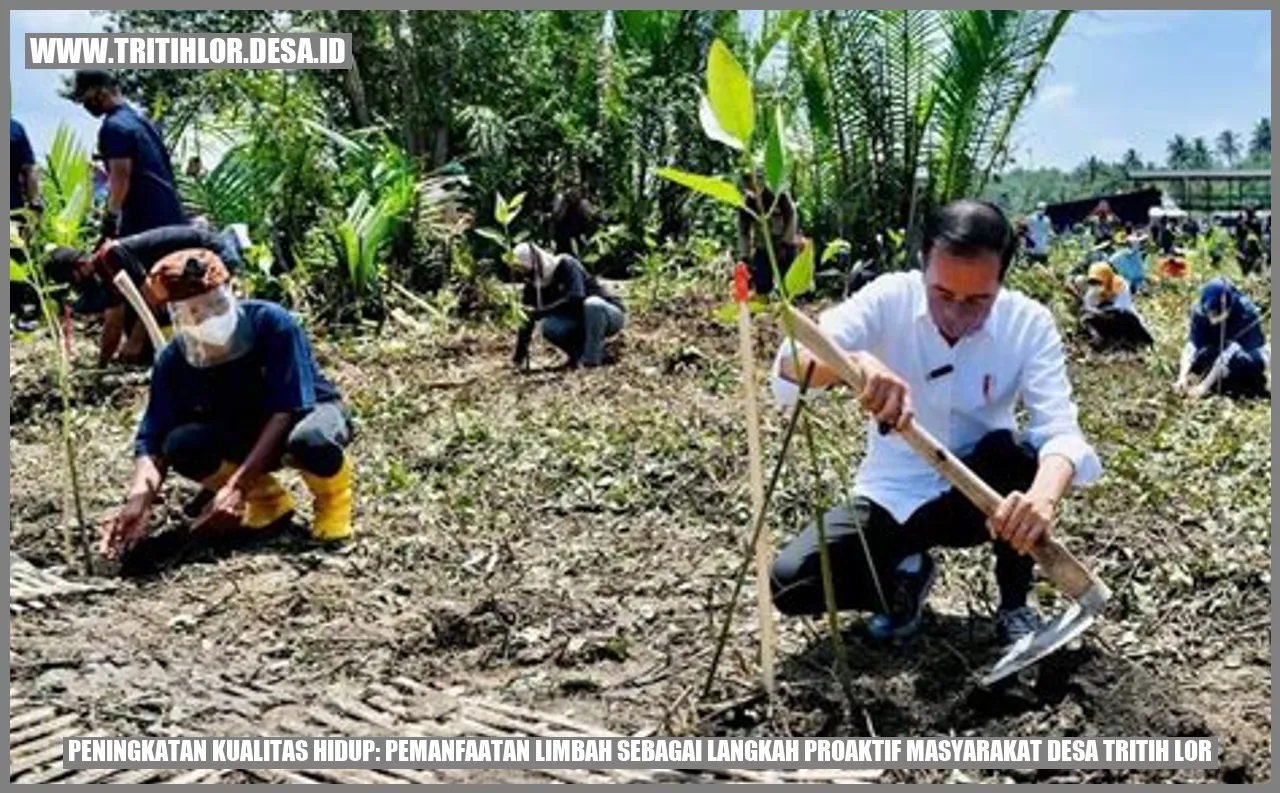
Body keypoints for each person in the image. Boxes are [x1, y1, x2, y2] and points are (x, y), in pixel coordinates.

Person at [768, 200, 1101, 647]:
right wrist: (856, 365)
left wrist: (1041, 500)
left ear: (1002, 279)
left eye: (978, 300)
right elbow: (793, 360)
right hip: (892, 495)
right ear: (924, 266)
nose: (957, 314)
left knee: (1017, 455)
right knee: (792, 581)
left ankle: (1015, 607)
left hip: (978, 500)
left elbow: (1060, 430)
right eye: (942, 295)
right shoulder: (889, 297)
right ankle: (902, 584)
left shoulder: (1029, 324)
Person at [98, 248, 356, 561]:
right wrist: (138, 502)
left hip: (307, 412)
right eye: (194, 311)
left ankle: (333, 504)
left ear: (231, 293)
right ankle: (269, 504)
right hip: (243, 428)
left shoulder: (272, 324)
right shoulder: (174, 361)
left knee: (309, 441)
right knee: (181, 445)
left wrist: (236, 486)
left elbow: (288, 408)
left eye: (215, 304)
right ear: (177, 315)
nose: (207, 316)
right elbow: (152, 438)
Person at [46, 223, 248, 367]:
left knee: (209, 322)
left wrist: (134, 342)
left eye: (73, 279)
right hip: (192, 267)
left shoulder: (110, 257)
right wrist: (102, 365)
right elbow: (113, 322)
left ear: (79, 269)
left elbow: (149, 297)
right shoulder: (104, 269)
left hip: (213, 256)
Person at [67, 70, 186, 240]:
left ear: (101, 92)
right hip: (172, 217)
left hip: (145, 223)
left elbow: (121, 176)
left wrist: (111, 216)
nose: (85, 104)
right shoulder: (142, 122)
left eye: (85, 97)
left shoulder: (114, 127)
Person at [511, 242, 625, 369]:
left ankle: (591, 360)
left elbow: (576, 297)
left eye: (525, 269)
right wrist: (518, 357)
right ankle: (584, 354)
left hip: (606, 314)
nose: (524, 274)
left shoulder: (566, 264)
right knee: (550, 327)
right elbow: (527, 319)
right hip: (579, 322)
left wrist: (542, 311)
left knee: (592, 304)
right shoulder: (533, 285)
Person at [1174, 277, 1269, 400]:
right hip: (1219, 346)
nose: (1211, 318)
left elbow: (1230, 353)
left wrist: (1204, 386)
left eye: (1216, 314)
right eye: (1209, 313)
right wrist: (1182, 377)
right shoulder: (1200, 311)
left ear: (1228, 307)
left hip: (1246, 352)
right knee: (1203, 355)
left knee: (1241, 364)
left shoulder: (1246, 313)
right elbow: (1192, 345)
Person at [738, 175, 799, 297]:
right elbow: (744, 231)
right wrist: (745, 256)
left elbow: (792, 217)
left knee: (788, 283)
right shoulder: (747, 203)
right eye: (748, 185)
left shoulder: (778, 195)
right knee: (761, 283)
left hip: (784, 243)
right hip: (762, 246)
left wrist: (785, 243)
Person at [10, 118, 44, 331]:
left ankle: (16, 313)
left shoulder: (14, 128)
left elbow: (28, 169)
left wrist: (34, 204)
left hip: (11, 209)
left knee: (14, 262)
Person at [1074, 262, 1153, 351]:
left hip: (1123, 319)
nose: (1095, 285)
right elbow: (1088, 305)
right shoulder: (1094, 291)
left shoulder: (1120, 286)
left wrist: (1100, 311)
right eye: (1093, 282)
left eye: (1098, 281)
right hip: (1107, 316)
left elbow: (1121, 309)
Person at [550, 186, 597, 258]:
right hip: (564, 236)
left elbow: (590, 216)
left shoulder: (582, 203)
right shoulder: (562, 199)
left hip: (578, 234)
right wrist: (566, 203)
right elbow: (557, 218)